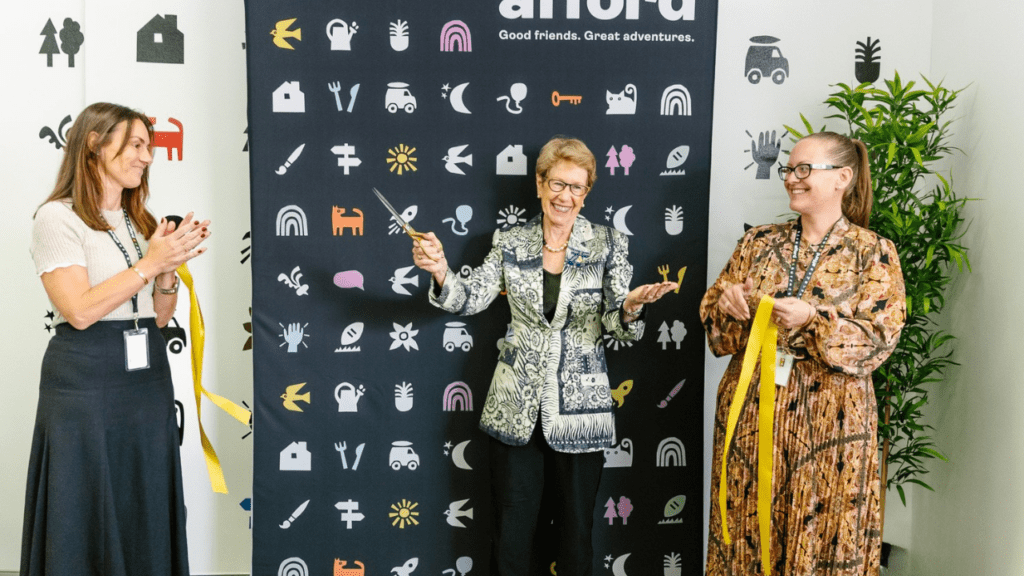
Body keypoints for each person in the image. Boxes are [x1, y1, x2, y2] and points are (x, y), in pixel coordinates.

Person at [411, 137, 676, 576]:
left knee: (575, 534)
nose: (564, 196)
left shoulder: (608, 244)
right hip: (515, 406)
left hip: (582, 409)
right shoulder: (511, 242)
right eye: (556, 183)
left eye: (576, 187)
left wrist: (631, 307)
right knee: (512, 534)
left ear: (586, 192)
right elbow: (470, 298)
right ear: (539, 184)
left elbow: (616, 325)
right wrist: (440, 269)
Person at [701, 131, 906, 576]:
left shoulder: (874, 253)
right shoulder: (758, 243)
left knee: (828, 536)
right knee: (745, 532)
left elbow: (878, 339)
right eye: (788, 170)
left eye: (803, 169)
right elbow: (716, 332)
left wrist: (813, 319)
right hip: (753, 419)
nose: (791, 179)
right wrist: (729, 305)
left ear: (842, 178)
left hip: (834, 429)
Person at [22, 102, 210, 576]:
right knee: (82, 504)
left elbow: (160, 316)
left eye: (150, 147)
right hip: (85, 380)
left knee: (143, 498)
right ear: (94, 144)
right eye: (136, 144)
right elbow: (80, 311)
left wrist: (166, 268)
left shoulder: (138, 220)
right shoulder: (56, 218)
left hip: (146, 380)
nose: (148, 156)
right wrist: (148, 264)